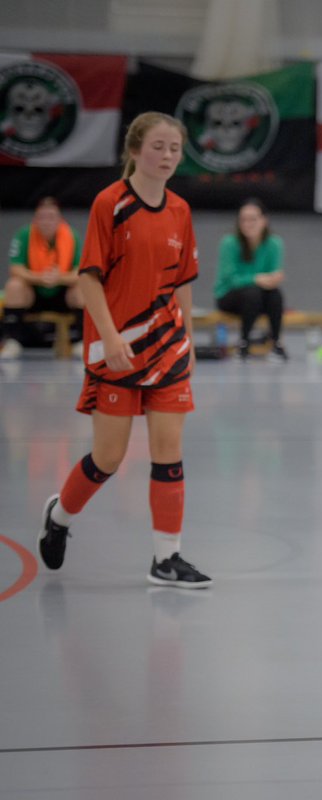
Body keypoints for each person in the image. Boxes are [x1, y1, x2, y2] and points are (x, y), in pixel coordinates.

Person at [36, 111, 211, 589]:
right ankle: (60, 517)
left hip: (167, 345)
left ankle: (166, 558)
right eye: (158, 147)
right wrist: (109, 337)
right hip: (117, 347)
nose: (167, 156)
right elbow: (88, 277)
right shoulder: (109, 204)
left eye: (175, 149)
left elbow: (182, 284)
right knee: (108, 458)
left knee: (168, 449)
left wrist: (188, 340)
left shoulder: (180, 210)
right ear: (134, 151)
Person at [1, 197, 84, 359]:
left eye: (51, 217)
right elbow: (15, 268)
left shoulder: (72, 236)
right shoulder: (24, 235)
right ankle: (12, 340)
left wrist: (59, 278)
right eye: (42, 217)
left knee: (83, 287)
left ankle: (80, 341)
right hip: (34, 293)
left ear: (59, 219)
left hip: (62, 292)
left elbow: (80, 271)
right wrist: (40, 278)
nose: (47, 222)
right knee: (14, 285)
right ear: (35, 219)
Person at [213, 198, 288, 361]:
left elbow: (274, 275)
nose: (248, 224)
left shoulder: (274, 243)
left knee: (275, 294)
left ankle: (276, 344)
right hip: (229, 297)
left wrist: (272, 279)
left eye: (253, 219)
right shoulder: (229, 243)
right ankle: (244, 343)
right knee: (252, 293)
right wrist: (257, 279)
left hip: (259, 298)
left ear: (264, 221)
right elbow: (231, 279)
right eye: (244, 220)